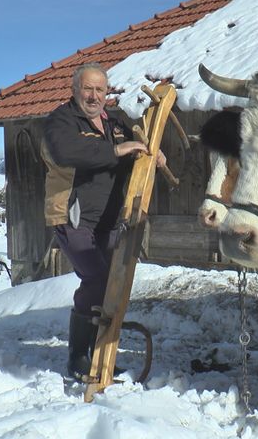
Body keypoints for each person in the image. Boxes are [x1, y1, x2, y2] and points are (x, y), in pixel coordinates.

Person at [41, 62, 166, 382]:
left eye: (100, 89)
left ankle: (102, 357)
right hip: (73, 216)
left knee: (111, 285)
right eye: (87, 88)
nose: (94, 95)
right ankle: (77, 358)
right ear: (75, 90)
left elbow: (134, 153)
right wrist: (116, 149)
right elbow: (69, 152)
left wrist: (153, 154)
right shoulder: (62, 122)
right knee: (96, 279)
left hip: (111, 219)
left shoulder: (117, 123)